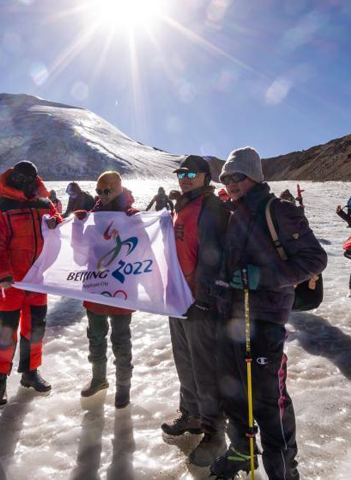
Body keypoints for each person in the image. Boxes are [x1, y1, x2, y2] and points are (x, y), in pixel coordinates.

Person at [213, 147, 327, 480]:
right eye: (227, 178)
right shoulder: (234, 213)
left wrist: (264, 278)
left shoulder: (277, 210)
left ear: (255, 177)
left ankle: (285, 471)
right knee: (234, 396)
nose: (231, 184)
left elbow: (315, 259)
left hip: (265, 322)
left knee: (269, 404)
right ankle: (242, 454)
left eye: (238, 177)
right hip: (234, 319)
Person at [161, 155, 230, 467]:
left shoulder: (210, 207)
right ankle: (190, 415)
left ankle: (215, 433)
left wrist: (204, 297)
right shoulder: (182, 205)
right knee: (184, 362)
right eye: (181, 173)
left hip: (199, 302)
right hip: (178, 299)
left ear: (205, 176)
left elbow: (214, 255)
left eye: (191, 173)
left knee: (204, 369)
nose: (184, 178)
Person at [0, 161, 63, 406]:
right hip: (10, 284)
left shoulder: (44, 204)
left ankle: (30, 373)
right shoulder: (0, 208)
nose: (23, 181)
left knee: (35, 328)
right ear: (12, 177)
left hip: (37, 281)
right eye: (19, 177)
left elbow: (58, 227)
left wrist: (57, 222)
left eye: (28, 178)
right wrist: (2, 273)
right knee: (5, 332)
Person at [77, 171, 137, 409]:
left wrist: (138, 222)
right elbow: (81, 251)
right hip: (94, 288)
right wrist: (77, 224)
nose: (102, 196)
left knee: (121, 341)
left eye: (107, 191)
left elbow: (141, 247)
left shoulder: (131, 216)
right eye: (98, 191)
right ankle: (99, 379)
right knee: (95, 338)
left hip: (121, 289)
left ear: (119, 189)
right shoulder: (93, 215)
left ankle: (124, 388)